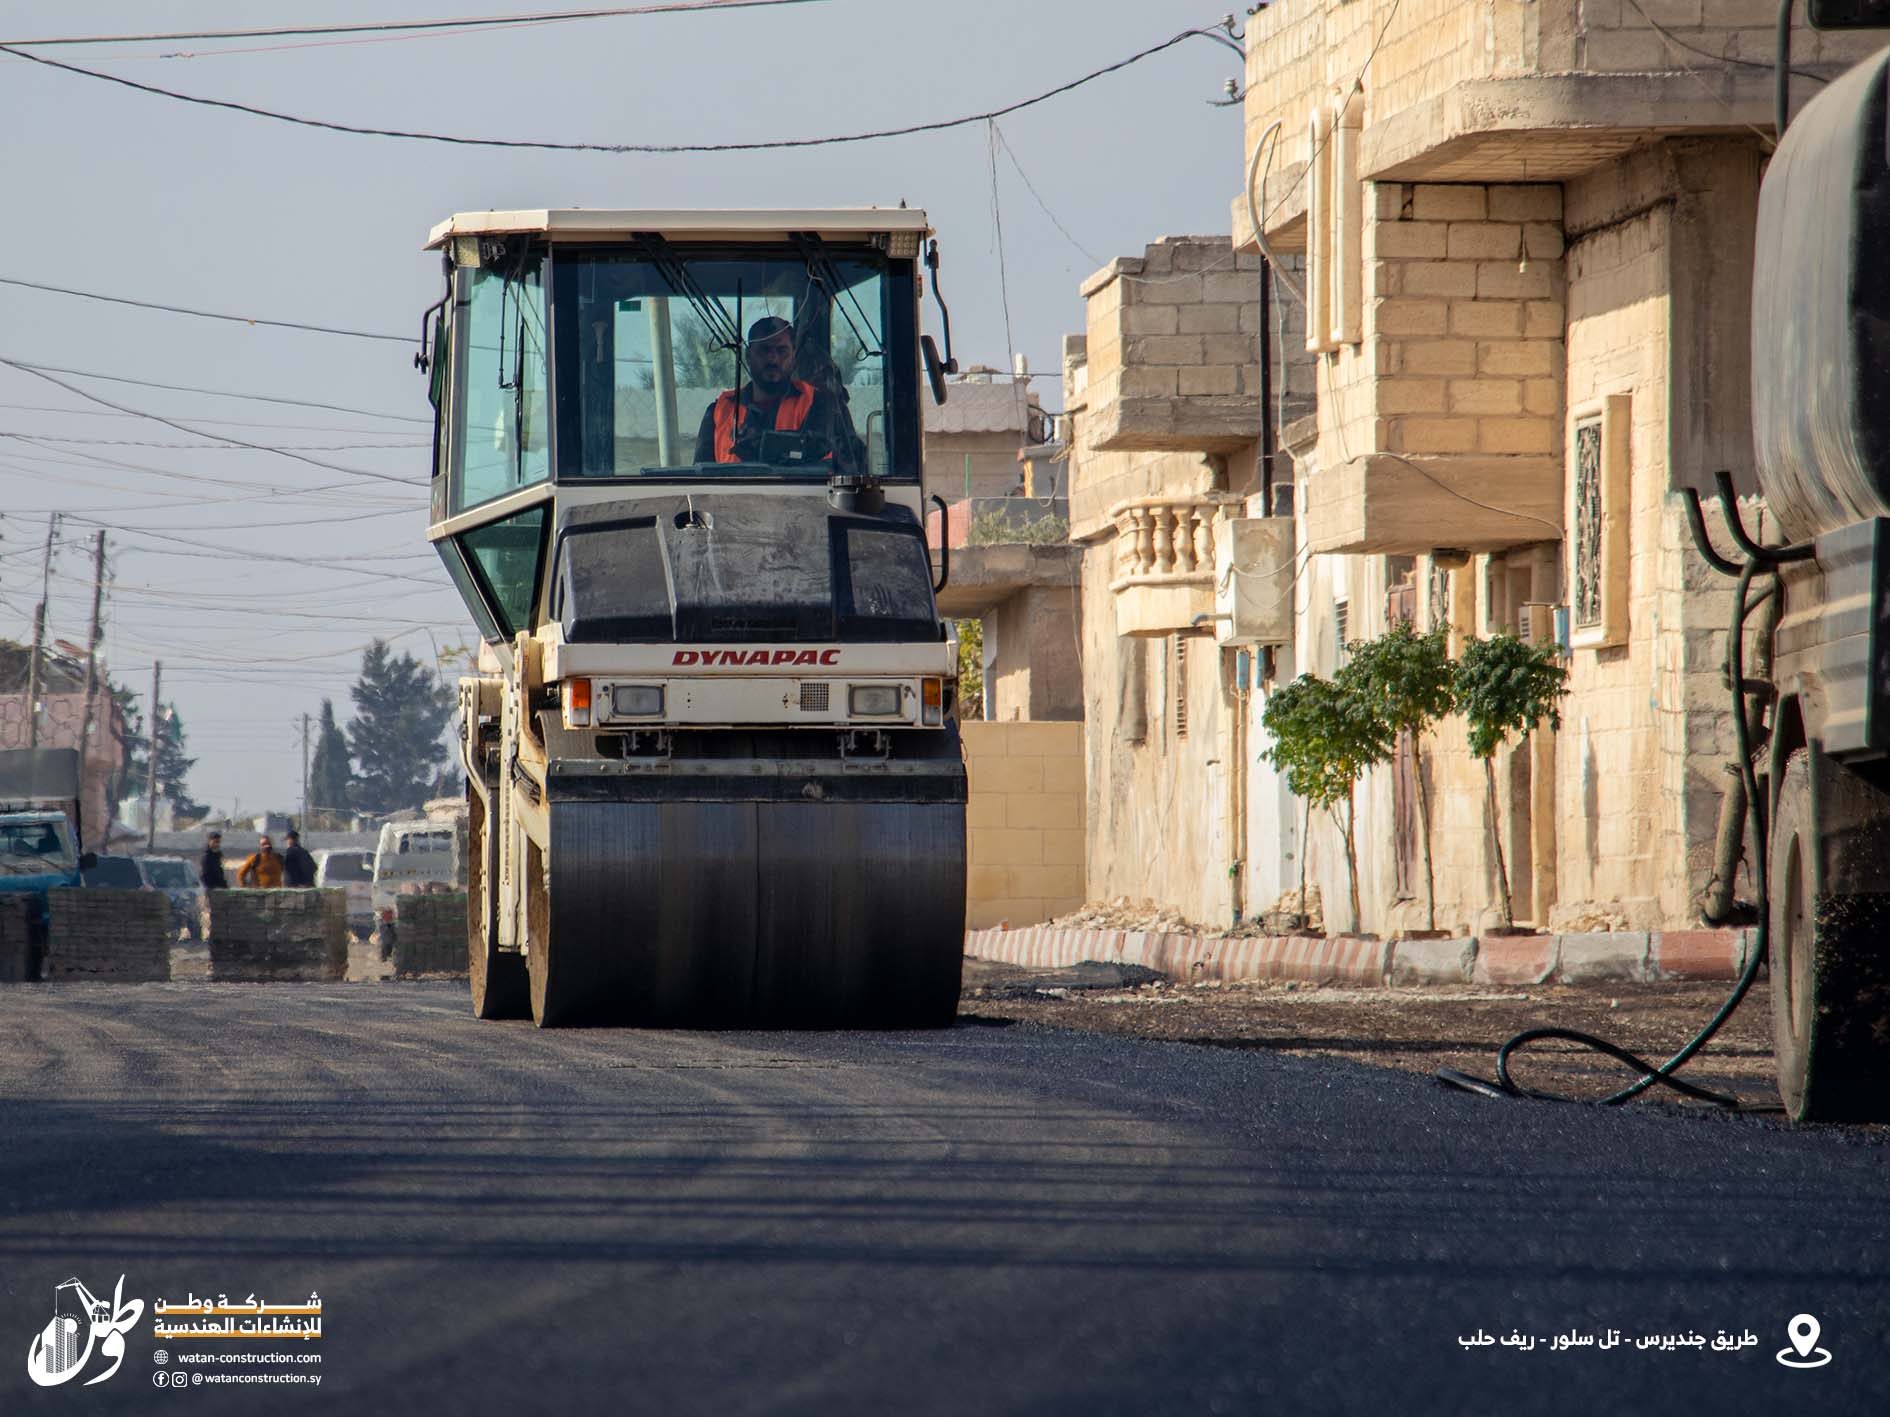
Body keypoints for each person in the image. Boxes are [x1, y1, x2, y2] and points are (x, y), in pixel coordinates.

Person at [691, 316, 860, 473]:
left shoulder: (822, 404)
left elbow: (852, 469)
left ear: (793, 356)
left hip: (807, 503)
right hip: (730, 504)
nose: (773, 359)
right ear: (748, 356)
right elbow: (699, 479)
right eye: (764, 350)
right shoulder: (719, 411)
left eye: (782, 351)